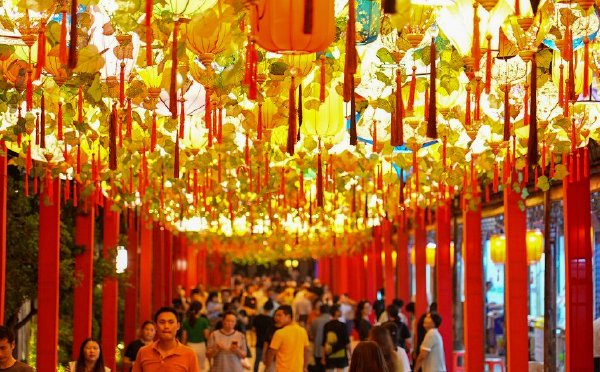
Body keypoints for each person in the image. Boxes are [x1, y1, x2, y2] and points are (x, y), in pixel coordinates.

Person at [132, 307, 200, 371]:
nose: (166, 326)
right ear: (155, 326)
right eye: (162, 322)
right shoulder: (143, 352)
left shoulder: (189, 354)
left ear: (178, 326)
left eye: (171, 322)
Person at [266, 305, 310, 372]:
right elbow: (306, 351)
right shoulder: (302, 331)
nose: (276, 318)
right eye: (276, 315)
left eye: (280, 315)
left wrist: (267, 368)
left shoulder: (279, 333)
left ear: (288, 316)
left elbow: (271, 352)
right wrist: (305, 367)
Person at [322, 304, 351, 372]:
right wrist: (351, 354)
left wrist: (323, 357)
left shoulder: (327, 325)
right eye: (339, 310)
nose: (341, 312)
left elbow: (324, 342)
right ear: (336, 312)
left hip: (329, 354)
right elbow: (347, 342)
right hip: (341, 354)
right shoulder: (343, 325)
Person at [182, 302, 210, 371]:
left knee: (190, 367)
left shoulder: (186, 321)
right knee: (201, 367)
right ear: (199, 310)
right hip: (201, 346)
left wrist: (182, 347)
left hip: (189, 346)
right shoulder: (204, 321)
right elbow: (206, 336)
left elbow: (184, 337)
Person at [253, 301, 275, 372]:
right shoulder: (271, 320)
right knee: (267, 361)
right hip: (268, 343)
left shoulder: (257, 317)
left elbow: (253, 329)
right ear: (271, 309)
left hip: (258, 341)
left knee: (257, 360)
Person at [308, 304, 331, 372]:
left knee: (319, 368)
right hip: (330, 349)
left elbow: (311, 335)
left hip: (318, 349)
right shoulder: (332, 320)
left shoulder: (315, 321)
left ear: (320, 311)